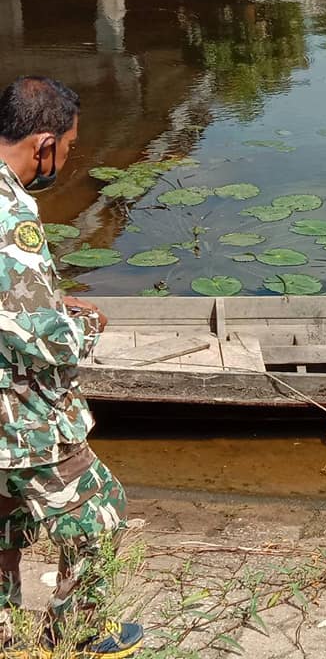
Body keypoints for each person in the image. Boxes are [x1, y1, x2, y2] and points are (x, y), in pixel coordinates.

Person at [0, 77, 142, 656]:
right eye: (68, 147)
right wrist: (83, 326)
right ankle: (80, 634)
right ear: (43, 144)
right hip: (21, 417)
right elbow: (38, 336)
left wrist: (51, 303)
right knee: (99, 512)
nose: (66, 159)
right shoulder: (11, 213)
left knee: (4, 520)